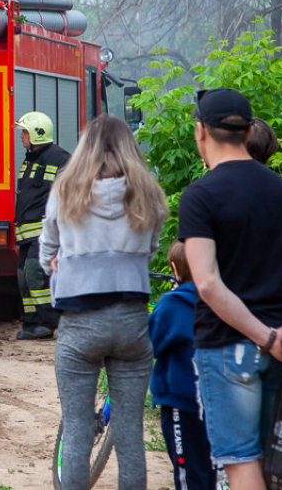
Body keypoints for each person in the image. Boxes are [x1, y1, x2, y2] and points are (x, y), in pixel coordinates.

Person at [178, 88, 282, 490]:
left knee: (241, 462)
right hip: (280, 349)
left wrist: (267, 336)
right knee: (276, 462)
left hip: (227, 347)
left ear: (201, 131)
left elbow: (207, 283)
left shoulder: (200, 195)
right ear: (247, 131)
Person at [39, 115, 168, 490]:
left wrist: (59, 265)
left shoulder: (65, 190)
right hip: (131, 320)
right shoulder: (147, 192)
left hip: (80, 321)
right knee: (130, 433)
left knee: (77, 428)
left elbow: (47, 249)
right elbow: (151, 250)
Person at [149, 240, 217, 490]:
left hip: (183, 405)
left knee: (189, 475)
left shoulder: (173, 303)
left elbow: (149, 344)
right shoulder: (225, 299)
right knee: (216, 472)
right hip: (222, 403)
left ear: (175, 269)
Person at [12, 112, 71, 340]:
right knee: (23, 276)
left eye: (25, 132)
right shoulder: (30, 159)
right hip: (26, 231)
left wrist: (59, 212)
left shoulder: (60, 158)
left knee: (35, 271)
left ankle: (49, 323)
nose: (21, 137)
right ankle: (31, 323)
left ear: (38, 133)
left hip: (43, 230)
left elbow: (72, 189)